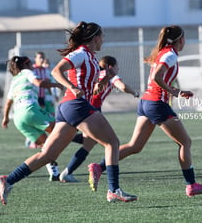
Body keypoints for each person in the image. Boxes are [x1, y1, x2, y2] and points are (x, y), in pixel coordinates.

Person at [0, 21, 137, 205]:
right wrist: (71, 86)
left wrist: (103, 83)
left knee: (48, 155)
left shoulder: (91, 57)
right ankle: (113, 190)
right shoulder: (80, 53)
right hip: (76, 105)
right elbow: (56, 71)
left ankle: (9, 180)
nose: (103, 40)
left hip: (69, 107)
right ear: (95, 38)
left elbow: (91, 89)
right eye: (102, 36)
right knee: (112, 142)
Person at [88, 25, 202, 197]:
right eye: (184, 38)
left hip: (146, 102)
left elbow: (157, 78)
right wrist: (175, 91)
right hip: (156, 104)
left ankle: (99, 167)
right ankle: (191, 185)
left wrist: (175, 91)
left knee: (135, 146)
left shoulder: (163, 53)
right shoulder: (169, 54)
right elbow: (156, 77)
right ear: (180, 40)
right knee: (185, 142)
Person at [58, 55, 140, 183]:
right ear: (111, 67)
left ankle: (67, 170)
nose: (118, 69)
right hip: (90, 110)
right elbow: (122, 86)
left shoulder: (96, 73)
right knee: (101, 143)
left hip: (83, 107)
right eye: (117, 66)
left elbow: (95, 90)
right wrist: (134, 93)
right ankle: (68, 171)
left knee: (89, 142)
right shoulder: (111, 75)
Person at [1, 55, 63, 181]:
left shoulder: (14, 80)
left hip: (18, 119)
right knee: (60, 131)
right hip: (29, 110)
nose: (32, 66)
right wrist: (55, 84)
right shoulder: (26, 72)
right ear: (26, 65)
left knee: (45, 145)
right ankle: (83, 141)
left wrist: (5, 118)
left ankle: (54, 173)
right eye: (30, 64)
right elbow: (39, 83)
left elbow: (8, 103)